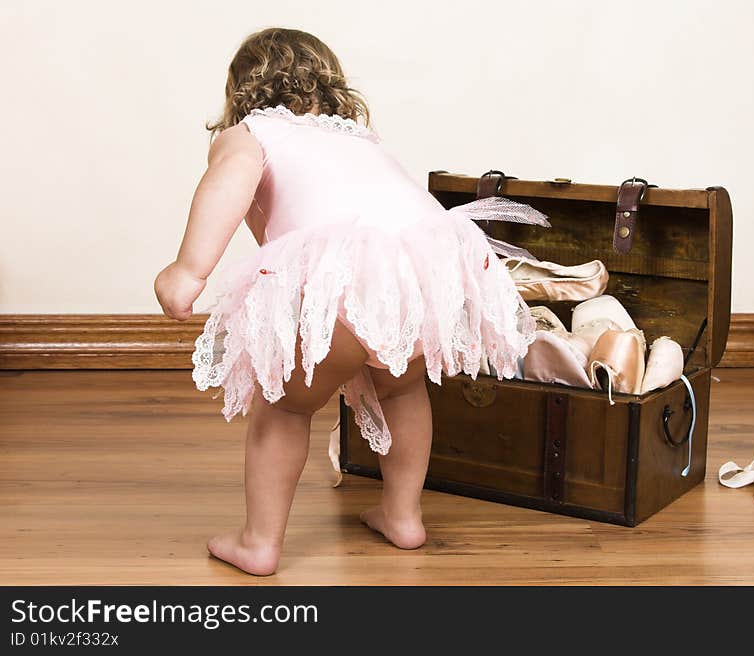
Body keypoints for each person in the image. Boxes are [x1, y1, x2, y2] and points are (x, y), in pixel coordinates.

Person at [154, 27, 539, 575]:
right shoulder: (360, 139)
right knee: (404, 389)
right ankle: (403, 517)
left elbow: (231, 179)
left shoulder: (252, 132)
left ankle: (259, 543)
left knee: (287, 406)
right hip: (425, 277)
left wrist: (189, 271)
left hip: (341, 279)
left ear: (242, 92)